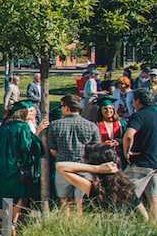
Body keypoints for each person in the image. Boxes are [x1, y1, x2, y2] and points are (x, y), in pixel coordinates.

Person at [0, 100, 44, 234]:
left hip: (2, 167)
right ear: (23, 113)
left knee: (3, 196)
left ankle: (7, 223)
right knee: (18, 196)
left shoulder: (5, 126)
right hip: (16, 168)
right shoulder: (23, 127)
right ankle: (11, 224)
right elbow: (26, 148)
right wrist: (37, 135)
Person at [55, 145, 143, 215]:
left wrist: (96, 168)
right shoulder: (126, 186)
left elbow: (60, 166)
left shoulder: (93, 187)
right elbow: (145, 217)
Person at [47, 94, 100, 203]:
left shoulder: (54, 125)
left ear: (66, 107)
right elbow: (96, 149)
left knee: (64, 201)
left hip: (63, 166)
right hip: (84, 167)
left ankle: (66, 220)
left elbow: (52, 149)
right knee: (81, 202)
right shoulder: (91, 126)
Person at [123, 89, 157, 224]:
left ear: (137, 101)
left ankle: (144, 219)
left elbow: (129, 135)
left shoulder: (139, 115)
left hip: (142, 162)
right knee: (153, 197)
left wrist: (127, 152)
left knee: (125, 191)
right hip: (155, 162)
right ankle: (153, 227)